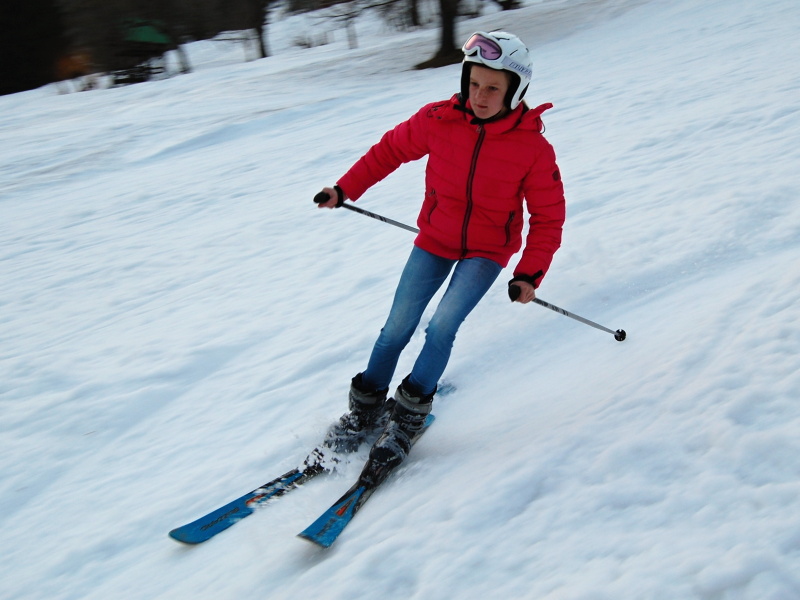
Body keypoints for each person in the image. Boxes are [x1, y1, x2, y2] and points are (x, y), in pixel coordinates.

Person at [315, 31, 566, 468]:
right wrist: (344, 189)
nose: (480, 96)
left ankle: (407, 419)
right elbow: (389, 151)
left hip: (487, 252)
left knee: (442, 327)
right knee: (396, 328)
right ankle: (365, 410)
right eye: (474, 83)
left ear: (515, 91)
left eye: (493, 88)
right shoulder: (439, 119)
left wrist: (529, 273)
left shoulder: (533, 149)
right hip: (435, 239)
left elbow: (548, 217)